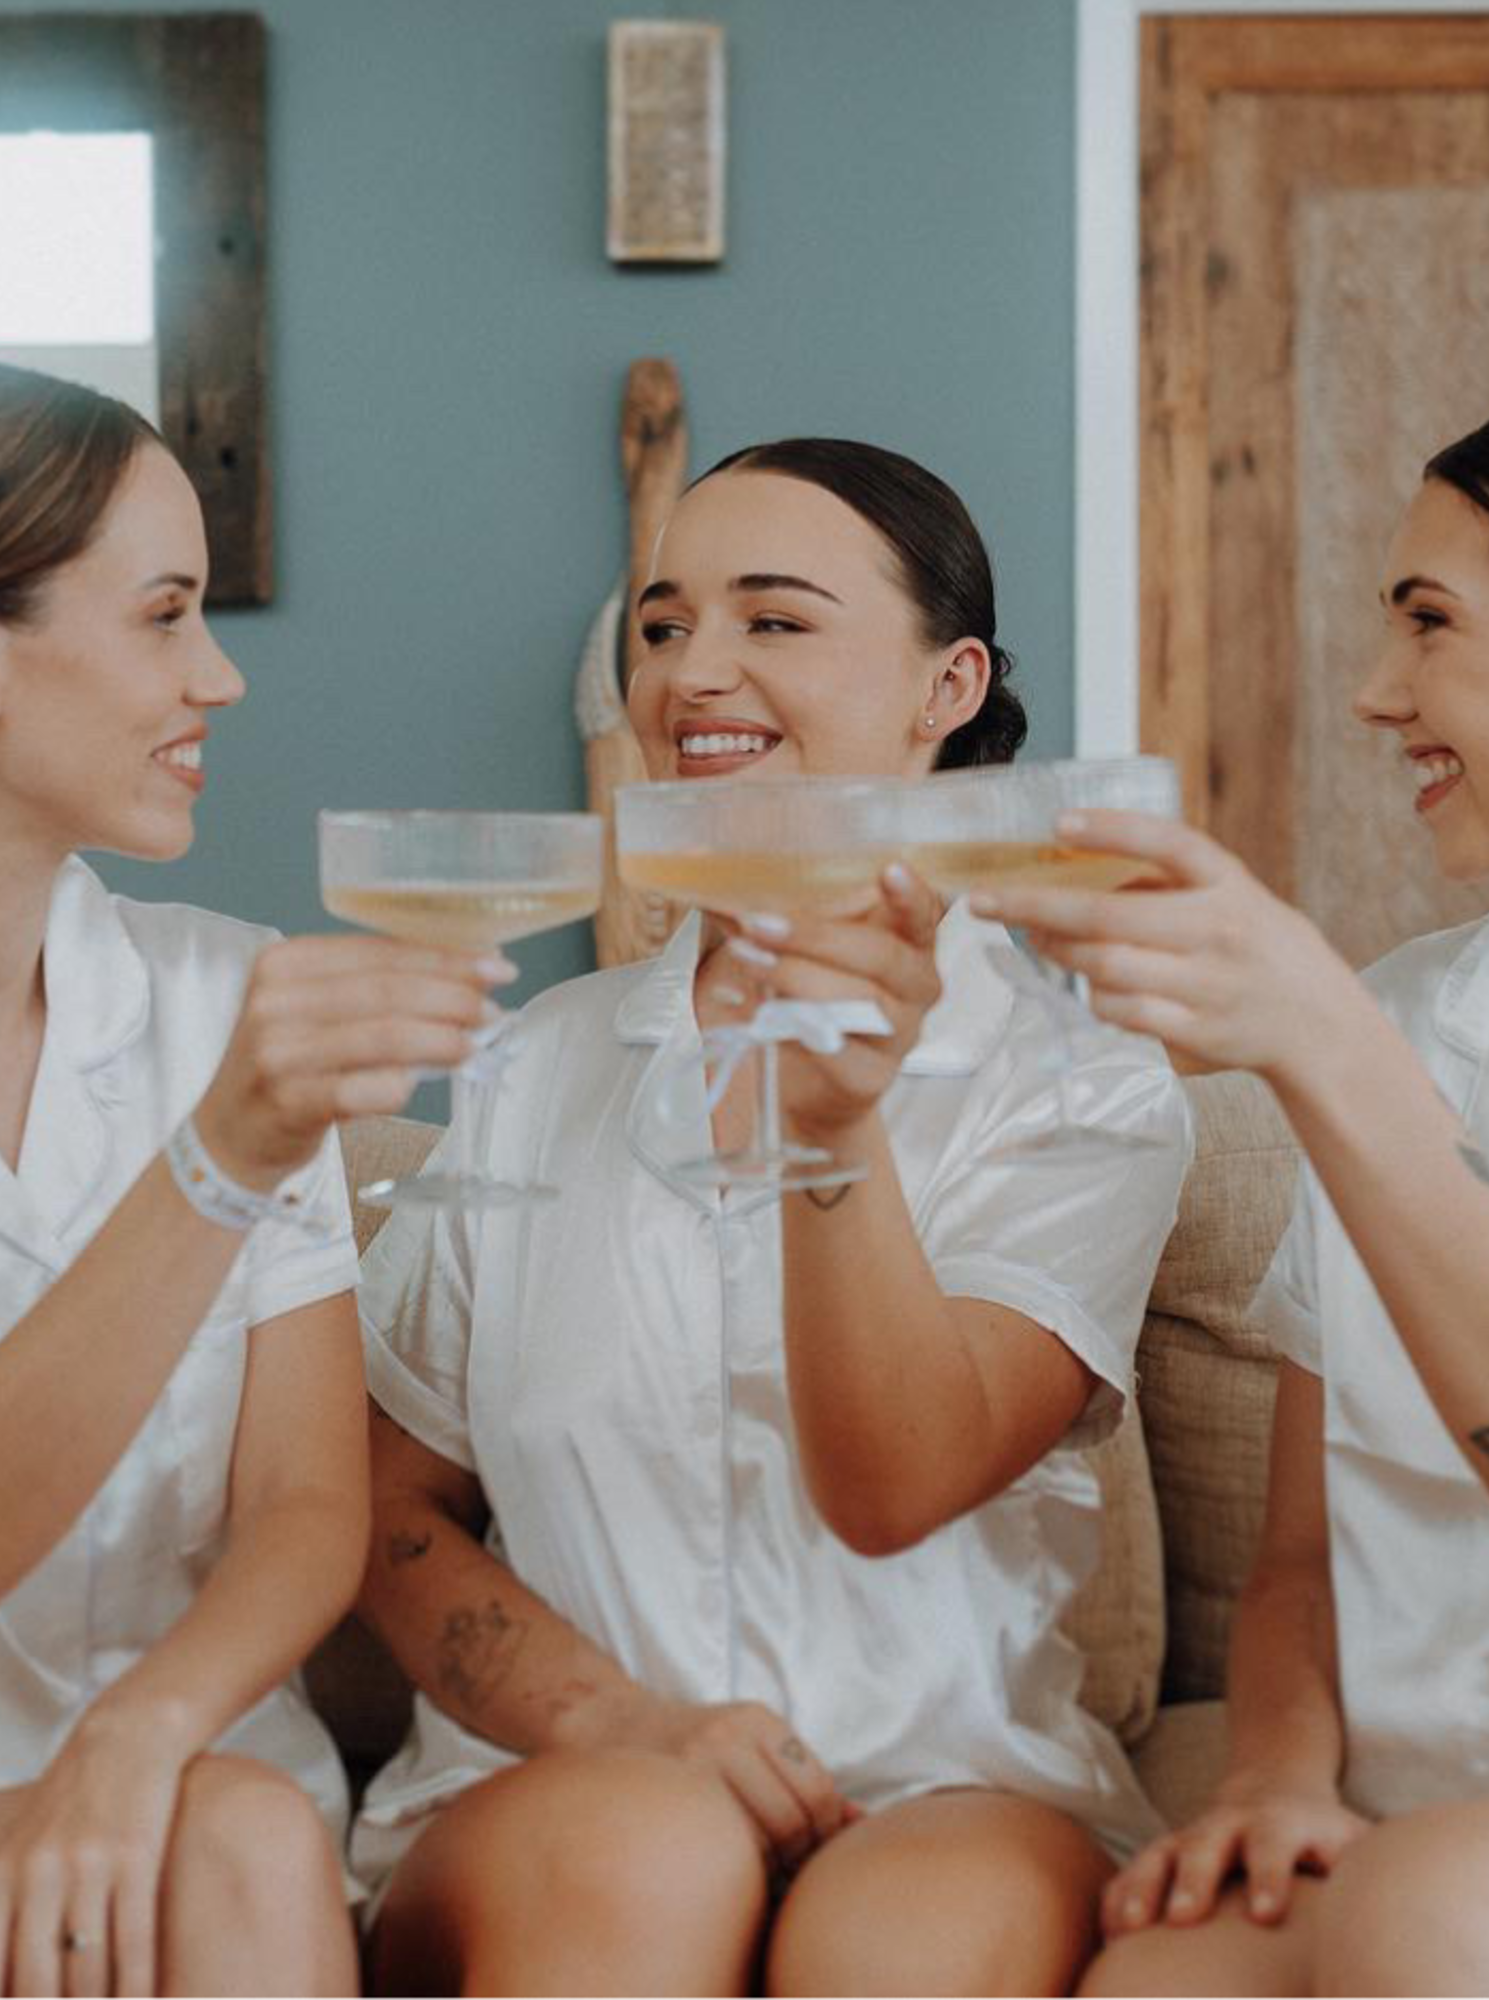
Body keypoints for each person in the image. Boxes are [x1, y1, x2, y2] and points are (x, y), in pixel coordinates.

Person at [353, 437, 1194, 1995]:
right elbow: (389, 1512)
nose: (691, 676)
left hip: (953, 1783)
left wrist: (834, 1123)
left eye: (774, 621)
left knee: (908, 1937)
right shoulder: (540, 1066)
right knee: (642, 1849)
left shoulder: (1089, 1092)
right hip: (567, 1791)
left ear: (947, 688)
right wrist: (625, 1729)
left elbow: (900, 1482)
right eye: (665, 628)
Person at [973, 371, 1489, 1995]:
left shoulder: (1365, 1044)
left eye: (1429, 625)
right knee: (1158, 1975)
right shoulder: (1415, 1014)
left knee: (1446, 1913)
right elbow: (1299, 1569)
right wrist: (1273, 1781)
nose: (1373, 691)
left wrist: (1330, 1054)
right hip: (1423, 1838)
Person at [0, 356, 506, 1998]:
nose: (219, 680)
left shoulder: (226, 997)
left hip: (207, 1787)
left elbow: (306, 1507)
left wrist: (141, 1733)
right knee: (230, 1854)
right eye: (165, 616)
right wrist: (224, 1154)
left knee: (234, 1835)